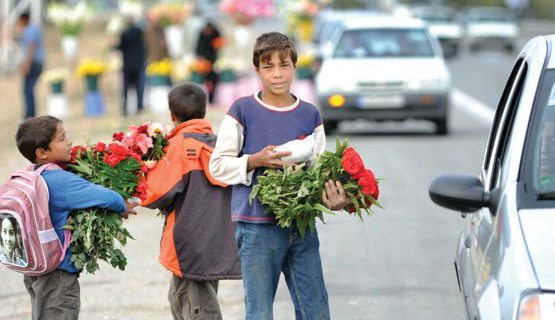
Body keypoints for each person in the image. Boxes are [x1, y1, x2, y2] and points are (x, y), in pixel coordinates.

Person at [209, 32, 348, 320]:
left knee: (316, 312)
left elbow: (319, 170)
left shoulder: (309, 115)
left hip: (302, 227)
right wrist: (255, 160)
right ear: (257, 70)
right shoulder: (243, 110)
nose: (277, 74)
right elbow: (218, 165)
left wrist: (336, 199)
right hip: (257, 229)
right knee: (259, 313)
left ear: (295, 66)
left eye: (284, 65)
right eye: (268, 66)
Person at [15, 115, 138, 320]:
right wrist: (122, 205)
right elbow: (105, 196)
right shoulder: (61, 180)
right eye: (62, 138)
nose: (70, 141)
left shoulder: (30, 175)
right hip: (58, 273)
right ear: (42, 152)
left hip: (34, 267)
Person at [141, 83, 241, 320]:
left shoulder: (177, 148)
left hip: (188, 245)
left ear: (172, 115)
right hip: (215, 243)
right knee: (186, 299)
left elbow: (154, 193)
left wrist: (143, 168)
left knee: (198, 310)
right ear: (204, 111)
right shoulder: (220, 146)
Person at [114, 17, 146, 116]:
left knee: (125, 88)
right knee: (139, 87)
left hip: (127, 65)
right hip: (138, 63)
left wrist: (113, 45)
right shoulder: (139, 32)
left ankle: (124, 109)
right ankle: (139, 107)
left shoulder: (124, 34)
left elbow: (121, 47)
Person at [15, 12, 44, 119]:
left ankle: (30, 115)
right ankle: (30, 114)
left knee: (27, 89)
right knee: (28, 89)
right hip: (36, 62)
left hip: (33, 63)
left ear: (23, 20)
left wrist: (26, 65)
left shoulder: (30, 31)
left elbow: (31, 48)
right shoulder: (33, 29)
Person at [195, 22, 222, 103]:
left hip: (213, 61)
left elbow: (219, 45)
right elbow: (198, 48)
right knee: (203, 82)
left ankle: (212, 99)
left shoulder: (216, 33)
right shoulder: (201, 34)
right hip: (203, 62)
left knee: (214, 81)